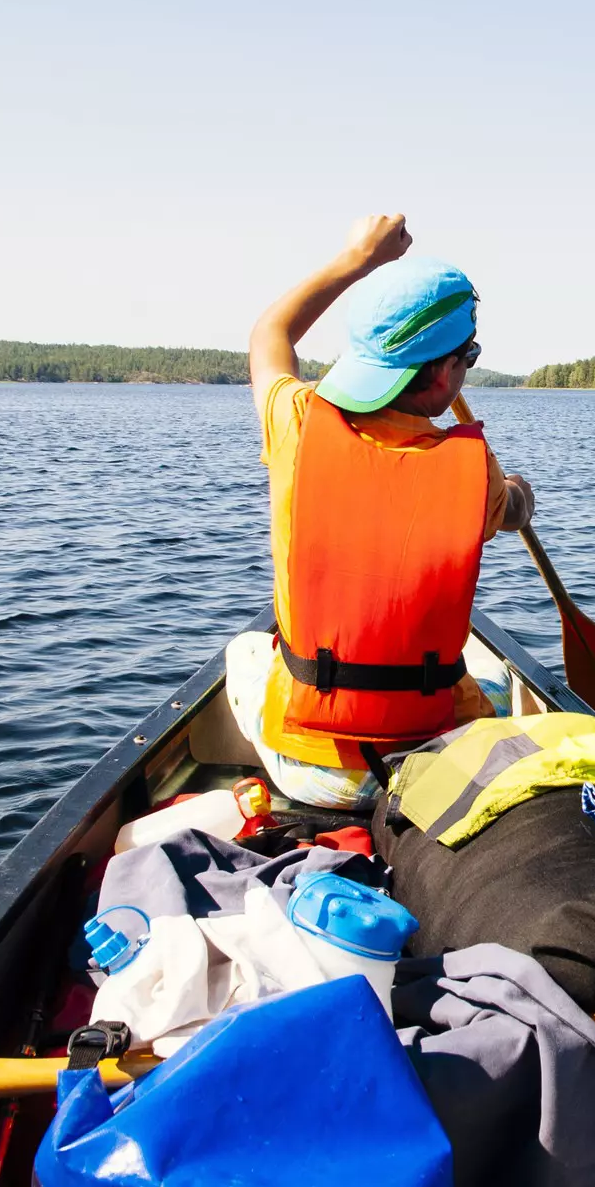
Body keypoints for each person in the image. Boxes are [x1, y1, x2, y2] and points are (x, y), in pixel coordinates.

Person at [227, 214, 536, 808]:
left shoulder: (295, 424)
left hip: (310, 774)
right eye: (469, 355)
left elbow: (271, 333)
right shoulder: (478, 472)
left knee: (245, 652)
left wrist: (358, 259)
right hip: (434, 767)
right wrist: (517, 492)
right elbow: (516, 510)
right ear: (446, 373)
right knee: (494, 680)